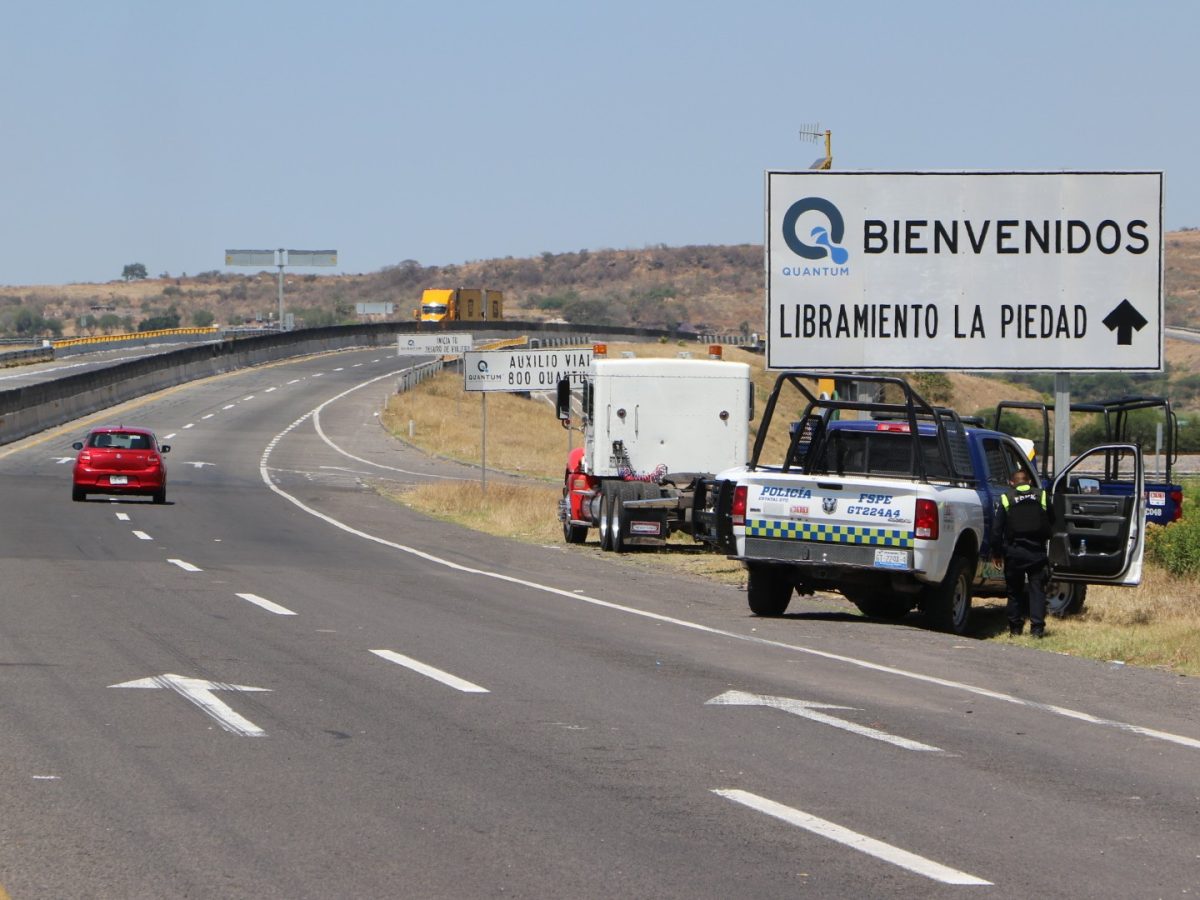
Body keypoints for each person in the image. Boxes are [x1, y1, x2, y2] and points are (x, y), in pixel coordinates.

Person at [991, 469, 1053, 638]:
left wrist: (996, 553)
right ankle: (1037, 629)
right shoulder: (1041, 496)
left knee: (1014, 591)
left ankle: (1015, 629)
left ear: (1012, 483)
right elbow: (1053, 520)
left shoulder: (1006, 498)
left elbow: (997, 530)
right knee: (1037, 590)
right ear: (1029, 482)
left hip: (1014, 552)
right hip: (1037, 552)